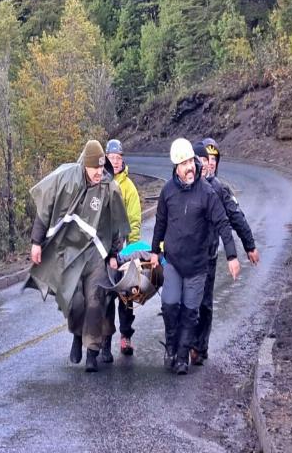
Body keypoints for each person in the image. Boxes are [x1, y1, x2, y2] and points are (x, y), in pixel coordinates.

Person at [26, 140, 130, 373]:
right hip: (70, 252)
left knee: (95, 301)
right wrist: (36, 242)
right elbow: (45, 211)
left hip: (96, 254)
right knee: (75, 302)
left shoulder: (109, 187)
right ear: (85, 165)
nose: (98, 173)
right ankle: (76, 334)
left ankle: (92, 351)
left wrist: (114, 254)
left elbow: (116, 225)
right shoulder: (65, 180)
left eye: (101, 168)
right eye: (94, 168)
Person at [150, 138, 240, 375]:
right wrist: (154, 252)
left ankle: (182, 357)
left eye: (191, 161)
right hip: (173, 262)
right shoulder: (167, 191)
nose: (190, 167)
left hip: (198, 265)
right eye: (184, 163)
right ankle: (171, 347)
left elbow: (223, 223)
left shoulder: (207, 192)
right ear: (176, 167)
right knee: (170, 307)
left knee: (191, 312)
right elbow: (160, 223)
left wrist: (232, 255)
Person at [190, 140, 260, 365]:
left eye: (213, 161)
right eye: (205, 160)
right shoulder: (187, 184)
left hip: (209, 254)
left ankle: (200, 347)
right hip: (187, 255)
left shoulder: (220, 189)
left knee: (205, 303)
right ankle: (184, 344)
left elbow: (236, 217)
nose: (209, 164)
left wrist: (249, 246)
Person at [101, 139, 142, 361]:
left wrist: (132, 253)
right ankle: (105, 340)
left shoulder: (129, 188)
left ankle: (126, 336)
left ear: (122, 159)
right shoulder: (100, 182)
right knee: (107, 297)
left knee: (127, 297)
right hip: (105, 253)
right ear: (106, 158)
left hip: (124, 251)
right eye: (111, 158)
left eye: (118, 158)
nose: (115, 162)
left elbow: (135, 221)